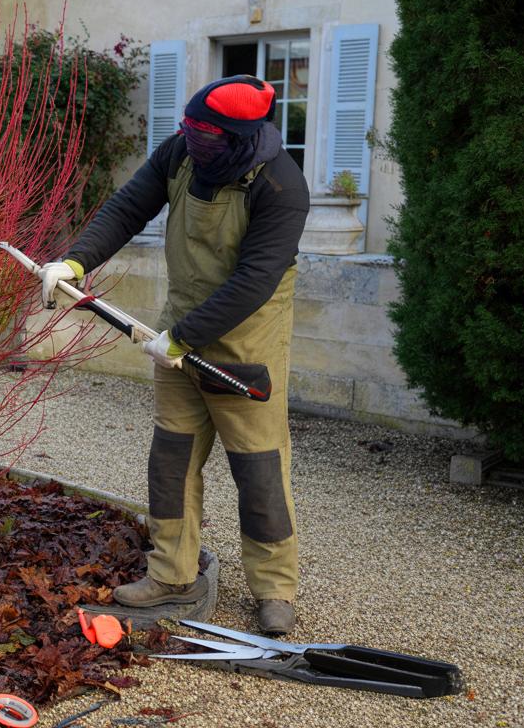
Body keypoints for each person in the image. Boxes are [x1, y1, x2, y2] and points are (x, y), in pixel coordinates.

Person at [39, 75, 310, 634]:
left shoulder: (282, 186)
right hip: (177, 333)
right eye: (191, 130)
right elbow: (127, 206)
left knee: (258, 469)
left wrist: (183, 337)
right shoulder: (182, 150)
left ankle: (274, 588)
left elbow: (254, 280)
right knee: (172, 459)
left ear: (239, 137)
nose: (195, 143)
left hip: (244, 343)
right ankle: (171, 571)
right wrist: (75, 262)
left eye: (208, 136)